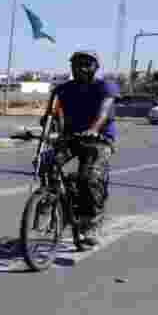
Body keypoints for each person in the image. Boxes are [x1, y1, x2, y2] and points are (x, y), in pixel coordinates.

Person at [42, 50, 117, 246]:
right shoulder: (63, 89)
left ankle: (91, 223)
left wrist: (93, 129)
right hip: (70, 138)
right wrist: (46, 126)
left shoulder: (105, 87)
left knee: (89, 177)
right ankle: (51, 201)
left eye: (86, 64)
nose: (80, 68)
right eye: (76, 64)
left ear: (96, 67)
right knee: (46, 162)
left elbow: (104, 112)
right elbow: (50, 114)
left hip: (98, 139)